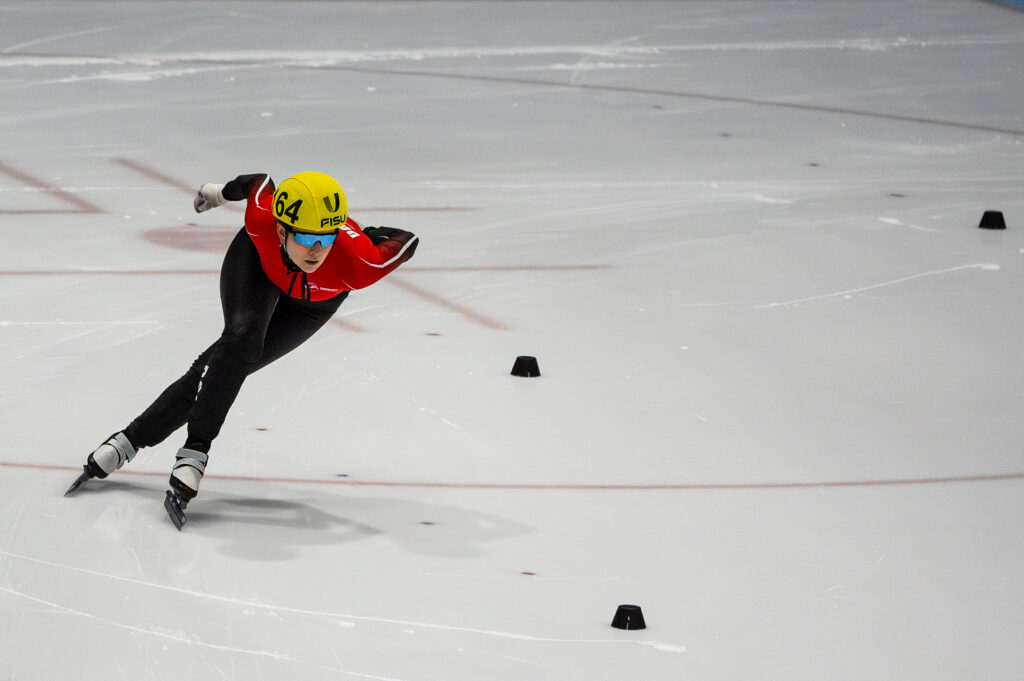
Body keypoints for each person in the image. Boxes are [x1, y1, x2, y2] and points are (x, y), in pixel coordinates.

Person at [65, 171, 419, 529]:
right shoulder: (263, 220)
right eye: (307, 237)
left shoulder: (360, 263)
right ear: (282, 230)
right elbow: (258, 182)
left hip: (312, 303)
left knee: (224, 366)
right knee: (242, 342)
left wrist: (363, 235)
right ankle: (194, 454)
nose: (316, 250)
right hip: (258, 264)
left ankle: (128, 440)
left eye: (325, 238)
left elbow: (408, 241)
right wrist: (219, 194)